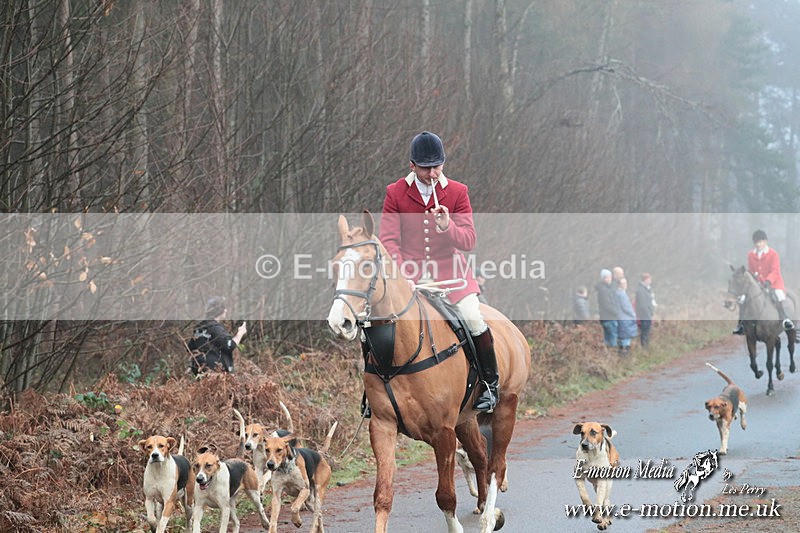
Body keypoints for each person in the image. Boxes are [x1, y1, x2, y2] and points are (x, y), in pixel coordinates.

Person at [379, 131, 497, 413]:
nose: (432, 173)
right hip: (410, 275)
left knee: (473, 318)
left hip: (451, 272)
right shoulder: (395, 192)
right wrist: (402, 272)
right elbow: (388, 240)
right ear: (412, 165)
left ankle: (490, 386)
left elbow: (469, 240)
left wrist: (448, 226)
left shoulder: (458, 192)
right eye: (425, 167)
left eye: (437, 166)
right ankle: (375, 393)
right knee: (376, 321)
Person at [733, 229, 794, 334]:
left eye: (760, 242)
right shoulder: (751, 255)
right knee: (743, 299)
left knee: (779, 295)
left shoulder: (773, 254)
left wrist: (768, 281)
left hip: (773, 283)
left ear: (765, 242)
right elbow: (751, 271)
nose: (758, 244)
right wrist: (755, 282)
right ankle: (741, 324)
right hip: (757, 284)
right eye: (756, 242)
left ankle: (785, 319)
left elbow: (775, 271)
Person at [187, 296, 247, 375]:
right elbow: (230, 345)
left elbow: (190, 348)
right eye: (224, 308)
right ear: (220, 311)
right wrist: (240, 333)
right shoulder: (215, 328)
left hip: (201, 372)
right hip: (216, 374)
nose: (226, 311)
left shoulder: (199, 328)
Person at [595, 269, 620, 348]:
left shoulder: (608, 288)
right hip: (609, 317)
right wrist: (616, 312)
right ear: (603, 279)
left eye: (610, 277)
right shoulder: (603, 290)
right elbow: (607, 304)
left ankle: (608, 356)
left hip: (607, 317)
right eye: (606, 277)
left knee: (608, 338)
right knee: (613, 337)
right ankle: (613, 356)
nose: (609, 279)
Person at [615, 278, 638, 356]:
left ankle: (622, 355)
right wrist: (633, 314)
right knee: (626, 337)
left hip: (621, 318)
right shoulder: (621, 294)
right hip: (625, 319)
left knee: (622, 337)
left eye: (625, 283)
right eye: (623, 283)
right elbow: (626, 307)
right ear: (619, 285)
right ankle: (625, 356)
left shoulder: (617, 293)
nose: (625, 285)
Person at [634, 273, 657, 348]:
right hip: (644, 315)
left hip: (647, 314)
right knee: (644, 333)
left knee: (647, 332)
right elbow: (642, 304)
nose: (650, 281)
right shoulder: (641, 290)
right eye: (649, 279)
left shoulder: (647, 289)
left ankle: (646, 347)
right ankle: (645, 348)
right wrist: (647, 313)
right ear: (645, 280)